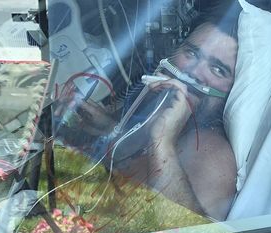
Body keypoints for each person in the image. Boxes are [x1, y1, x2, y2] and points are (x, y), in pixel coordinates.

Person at [58, 2, 240, 220]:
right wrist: (108, 128)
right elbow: (130, 171)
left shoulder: (214, 158)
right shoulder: (156, 116)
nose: (193, 72)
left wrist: (163, 144)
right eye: (191, 53)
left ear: (233, 88)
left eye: (218, 69)